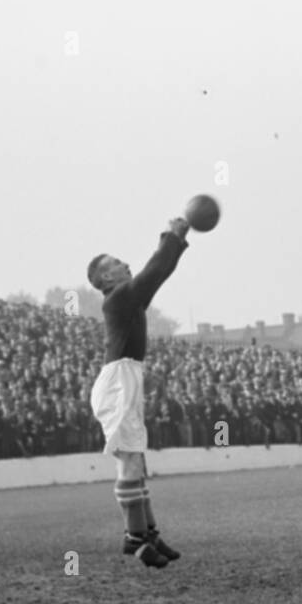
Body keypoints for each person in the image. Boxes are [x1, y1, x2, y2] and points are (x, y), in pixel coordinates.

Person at [87, 217, 190, 568]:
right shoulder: (117, 298)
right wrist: (173, 236)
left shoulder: (127, 299)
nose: (124, 264)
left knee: (137, 461)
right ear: (106, 279)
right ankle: (134, 539)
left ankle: (148, 532)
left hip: (125, 378)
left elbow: (158, 274)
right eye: (115, 263)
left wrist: (177, 240)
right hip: (118, 382)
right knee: (130, 460)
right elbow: (153, 272)